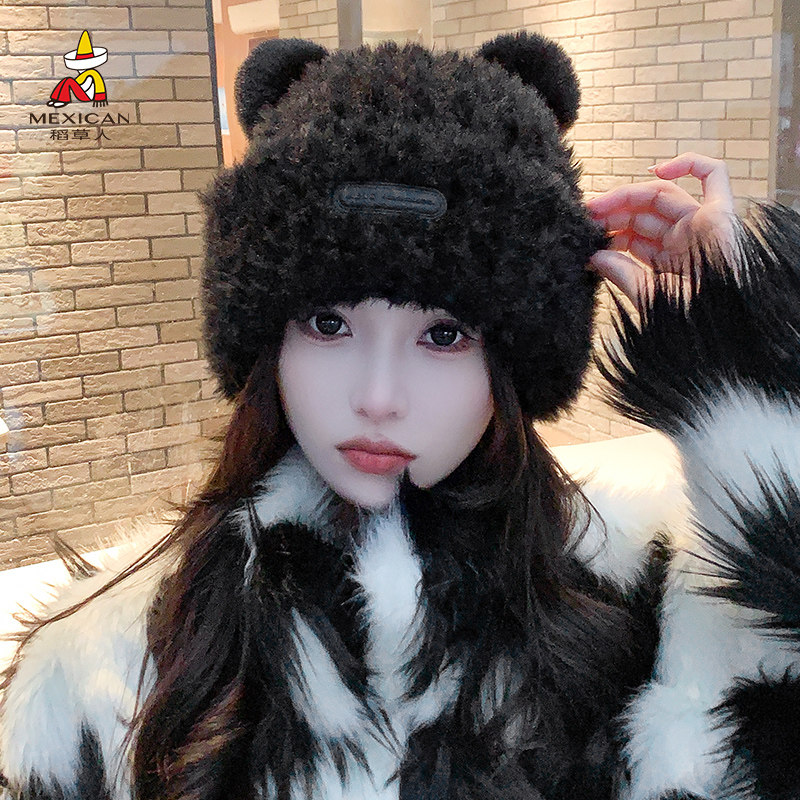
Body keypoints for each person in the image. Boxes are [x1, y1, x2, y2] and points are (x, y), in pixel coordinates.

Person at [1, 32, 799, 800]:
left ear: (509, 367)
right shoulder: (104, 672)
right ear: (267, 344)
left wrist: (745, 354)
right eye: (328, 324)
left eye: (443, 335)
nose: (379, 396)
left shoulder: (646, 609)